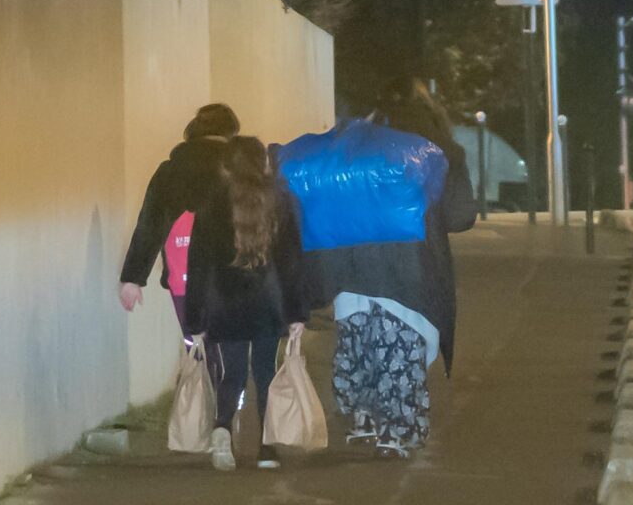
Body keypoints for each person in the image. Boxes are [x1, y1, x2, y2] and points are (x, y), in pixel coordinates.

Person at [294, 79, 477, 458]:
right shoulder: (441, 152)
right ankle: (397, 430)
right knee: (401, 344)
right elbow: (461, 217)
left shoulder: (348, 151)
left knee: (358, 338)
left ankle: (362, 419)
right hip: (412, 265)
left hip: (349, 260)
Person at [183, 136, 307, 471]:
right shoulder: (281, 201)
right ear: (263, 163)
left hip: (225, 304)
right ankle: (267, 449)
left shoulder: (212, 204)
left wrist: (194, 320)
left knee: (231, 375)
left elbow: (198, 265)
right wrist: (296, 312)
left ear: (226, 166)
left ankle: (222, 431)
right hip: (269, 303)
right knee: (266, 373)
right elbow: (292, 263)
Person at [118, 103, 240, 337]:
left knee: (195, 348)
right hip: (233, 276)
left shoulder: (171, 171)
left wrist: (132, 278)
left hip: (185, 276)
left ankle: (204, 369)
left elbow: (151, 224)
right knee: (229, 353)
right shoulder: (240, 168)